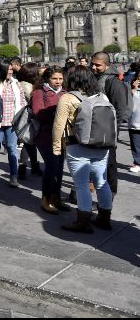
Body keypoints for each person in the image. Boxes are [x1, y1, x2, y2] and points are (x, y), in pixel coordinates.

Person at [53, 65, 113, 233]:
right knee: (101, 182)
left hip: (77, 145)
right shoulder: (102, 96)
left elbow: (59, 125)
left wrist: (57, 147)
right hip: (102, 145)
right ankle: (104, 217)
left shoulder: (67, 98)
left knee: (81, 184)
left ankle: (83, 221)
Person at [91, 52, 131, 196]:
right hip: (97, 127)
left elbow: (121, 109)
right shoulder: (98, 78)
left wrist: (114, 129)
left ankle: (110, 194)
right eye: (93, 64)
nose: (94, 67)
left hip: (109, 129)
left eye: (98, 65)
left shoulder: (113, 82)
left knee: (109, 163)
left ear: (107, 65)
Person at [31, 66, 67, 213]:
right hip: (45, 136)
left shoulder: (65, 93)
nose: (58, 82)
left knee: (59, 169)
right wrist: (58, 111)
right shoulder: (39, 93)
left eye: (60, 79)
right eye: (54, 79)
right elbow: (38, 113)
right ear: (47, 79)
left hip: (62, 137)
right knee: (51, 166)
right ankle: (46, 198)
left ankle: (56, 197)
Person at [0, 59, 27, 187]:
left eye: (11, 70)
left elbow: (22, 101)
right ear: (1, 70)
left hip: (12, 122)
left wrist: (21, 118)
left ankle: (13, 176)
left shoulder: (15, 83)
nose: (10, 72)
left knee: (12, 148)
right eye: (8, 70)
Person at [17, 62, 43, 180]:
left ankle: (30, 166)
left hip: (24, 117)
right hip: (28, 117)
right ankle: (26, 167)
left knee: (28, 143)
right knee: (29, 142)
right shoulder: (27, 86)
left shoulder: (21, 84)